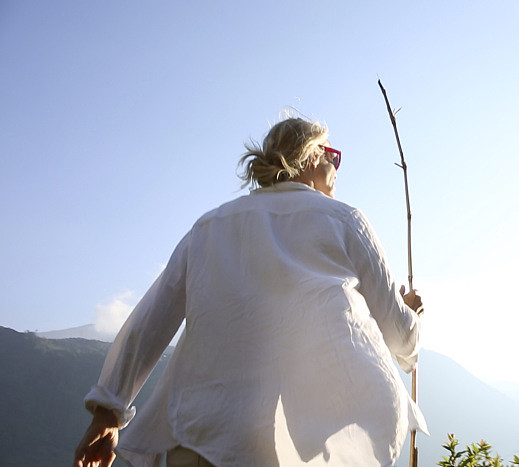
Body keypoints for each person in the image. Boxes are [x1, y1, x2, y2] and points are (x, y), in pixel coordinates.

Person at [73, 117, 427, 467]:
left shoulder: (209, 227)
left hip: (198, 438)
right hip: (291, 446)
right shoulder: (346, 221)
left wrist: (108, 414)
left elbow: (151, 320)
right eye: (332, 156)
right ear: (308, 158)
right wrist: (408, 311)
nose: (336, 169)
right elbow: (399, 336)